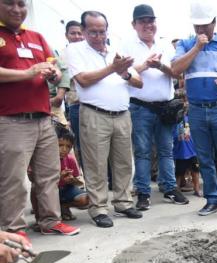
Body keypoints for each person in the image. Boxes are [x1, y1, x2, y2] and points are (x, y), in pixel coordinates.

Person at [0, 0, 79, 237]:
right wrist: (28, 72)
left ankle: (50, 221)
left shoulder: (36, 36)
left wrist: (54, 74)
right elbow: (30, 71)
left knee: (48, 174)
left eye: (21, 4)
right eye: (9, 3)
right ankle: (13, 229)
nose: (17, 9)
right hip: (10, 118)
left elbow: (54, 68)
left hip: (43, 116)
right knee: (13, 178)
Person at [67, 10, 143, 228]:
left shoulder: (115, 49)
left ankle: (123, 202)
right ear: (83, 31)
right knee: (96, 164)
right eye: (93, 32)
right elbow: (83, 80)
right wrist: (113, 68)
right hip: (94, 113)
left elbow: (138, 82)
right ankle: (99, 208)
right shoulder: (75, 50)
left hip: (122, 113)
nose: (99, 37)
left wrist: (125, 73)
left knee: (124, 162)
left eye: (102, 31)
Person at [171, 0, 217, 221]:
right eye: (197, 26)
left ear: (214, 22)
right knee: (204, 158)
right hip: (197, 111)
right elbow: (175, 69)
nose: (201, 30)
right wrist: (197, 47)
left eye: (205, 25)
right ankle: (213, 199)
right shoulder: (185, 44)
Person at [123, 4, 188, 211]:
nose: (147, 25)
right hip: (139, 107)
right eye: (142, 21)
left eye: (151, 20)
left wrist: (159, 65)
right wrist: (146, 64)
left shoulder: (165, 46)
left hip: (165, 107)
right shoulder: (126, 45)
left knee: (166, 150)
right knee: (142, 151)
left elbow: (176, 73)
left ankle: (169, 188)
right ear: (134, 24)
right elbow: (123, 73)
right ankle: (143, 192)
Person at [60, 20, 85, 168]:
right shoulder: (62, 55)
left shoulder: (90, 52)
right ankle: (85, 178)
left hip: (97, 106)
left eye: (79, 33)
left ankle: (110, 179)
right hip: (76, 105)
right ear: (66, 35)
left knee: (101, 143)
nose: (77, 36)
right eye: (73, 33)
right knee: (80, 145)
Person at [55, 122, 89, 220]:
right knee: (36, 189)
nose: (64, 149)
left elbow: (79, 183)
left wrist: (72, 180)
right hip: (51, 192)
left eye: (68, 146)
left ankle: (64, 206)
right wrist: (59, 177)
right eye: (60, 145)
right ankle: (40, 216)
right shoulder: (46, 160)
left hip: (65, 189)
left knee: (87, 199)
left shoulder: (70, 159)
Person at [173, 115, 201, 197]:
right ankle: (177, 190)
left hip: (193, 151)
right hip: (180, 152)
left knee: (196, 170)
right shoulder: (175, 119)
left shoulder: (192, 117)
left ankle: (197, 189)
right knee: (178, 172)